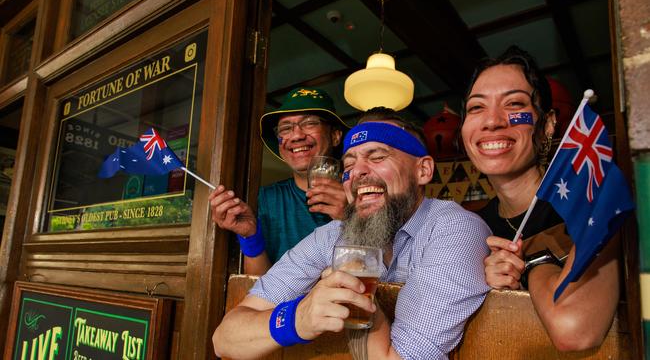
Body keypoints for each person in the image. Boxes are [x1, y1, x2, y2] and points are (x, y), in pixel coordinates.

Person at [213, 108, 491, 359]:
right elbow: (224, 339)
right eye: (348, 165)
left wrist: (356, 299)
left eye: (378, 156)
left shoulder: (455, 229)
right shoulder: (333, 234)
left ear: (423, 170)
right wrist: (299, 318)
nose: (357, 172)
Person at [460, 46, 620, 351]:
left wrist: (532, 265)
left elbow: (575, 329)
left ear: (547, 125)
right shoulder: (472, 227)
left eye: (514, 103)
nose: (491, 121)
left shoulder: (591, 199)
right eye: (476, 108)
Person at [208, 87, 349, 274]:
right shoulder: (266, 199)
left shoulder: (360, 193)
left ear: (335, 136)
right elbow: (261, 287)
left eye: (309, 123)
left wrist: (351, 218)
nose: (297, 135)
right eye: (286, 128)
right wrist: (250, 236)